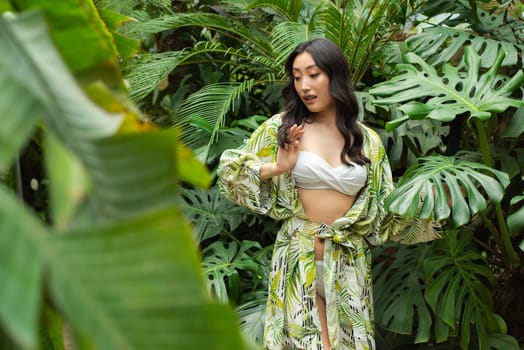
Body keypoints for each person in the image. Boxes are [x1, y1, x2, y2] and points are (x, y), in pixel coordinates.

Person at [217, 38, 439, 350]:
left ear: (335, 76)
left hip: (348, 262)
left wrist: (443, 207)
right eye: (297, 77)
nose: (304, 86)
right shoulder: (282, 130)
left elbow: (385, 210)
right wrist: (278, 167)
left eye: (313, 74)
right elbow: (230, 174)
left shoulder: (366, 140)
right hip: (298, 257)